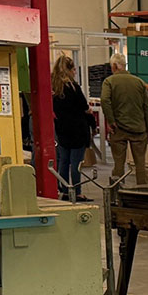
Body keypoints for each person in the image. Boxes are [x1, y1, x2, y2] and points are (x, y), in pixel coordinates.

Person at [100, 52, 148, 186]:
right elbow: (147, 108)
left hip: (118, 129)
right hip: (139, 129)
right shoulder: (139, 82)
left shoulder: (109, 82)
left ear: (114, 66)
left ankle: (118, 191)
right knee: (140, 164)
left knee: (119, 164)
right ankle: (143, 191)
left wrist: (111, 121)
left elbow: (105, 100)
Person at [51, 54, 95, 199]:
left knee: (64, 161)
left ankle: (64, 190)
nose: (75, 72)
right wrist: (88, 111)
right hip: (77, 130)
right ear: (69, 70)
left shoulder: (54, 87)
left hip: (62, 129)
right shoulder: (73, 87)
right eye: (74, 69)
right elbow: (84, 106)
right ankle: (77, 192)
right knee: (76, 163)